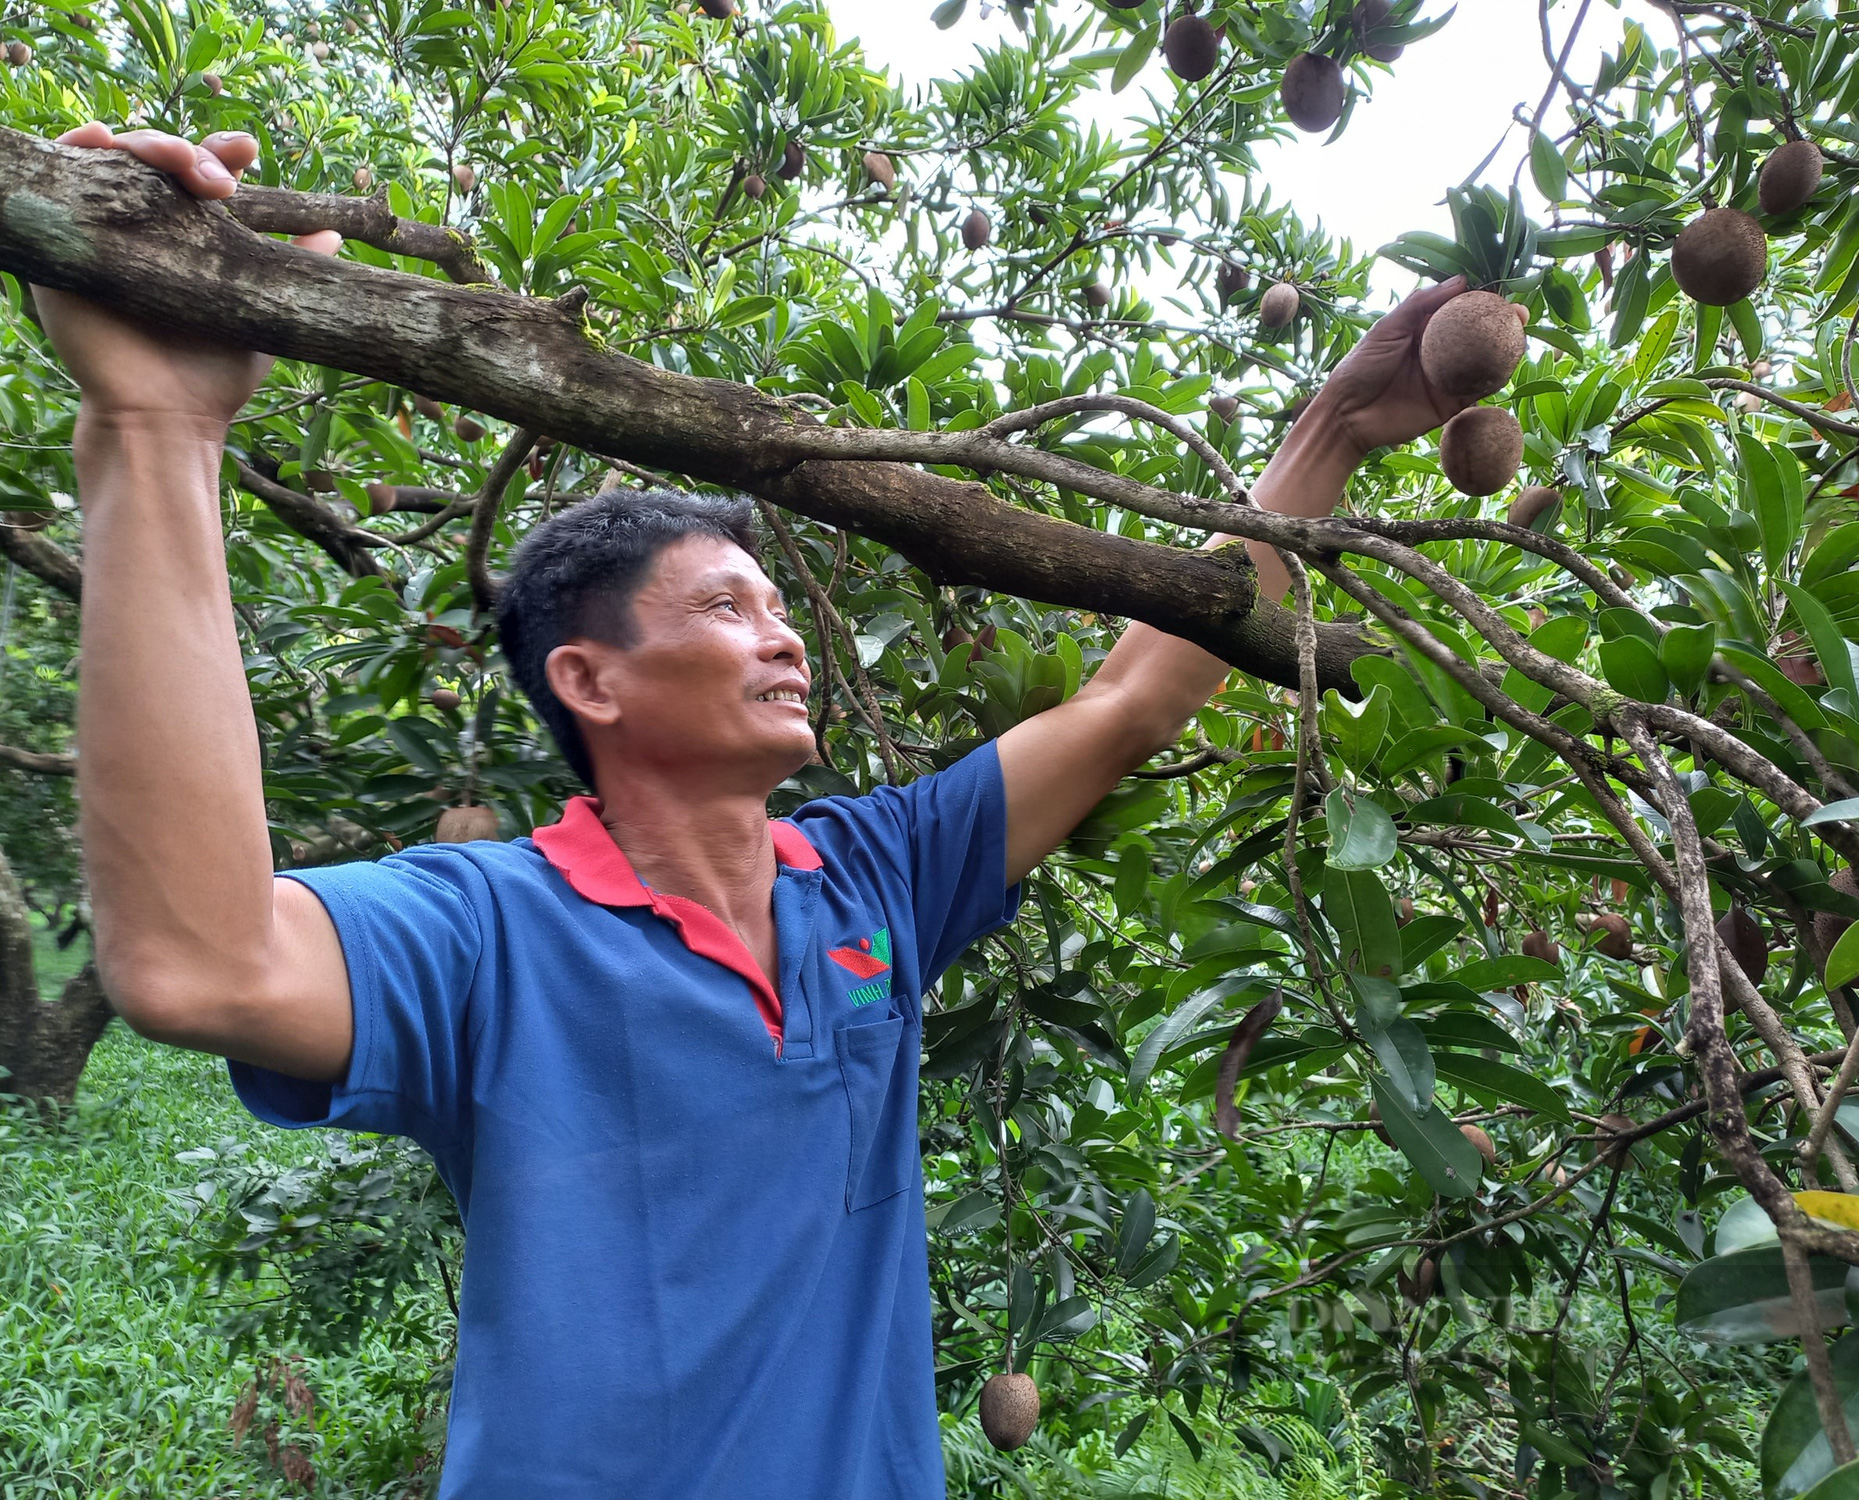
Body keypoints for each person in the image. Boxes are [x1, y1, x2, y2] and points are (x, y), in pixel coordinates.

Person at [35, 120, 1518, 1499]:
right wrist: (156, 430)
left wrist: (1333, 428)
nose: (787, 636)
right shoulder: (487, 931)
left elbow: (1132, 699)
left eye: (778, 606)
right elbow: (197, 961)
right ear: (591, 683)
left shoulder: (873, 880)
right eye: (729, 609)